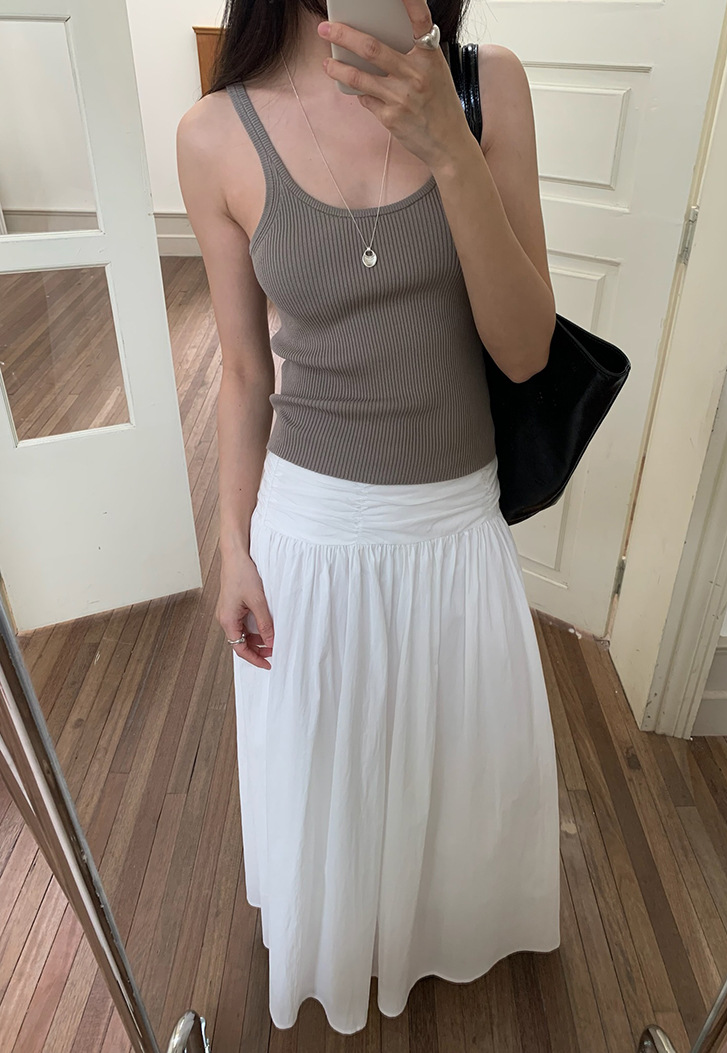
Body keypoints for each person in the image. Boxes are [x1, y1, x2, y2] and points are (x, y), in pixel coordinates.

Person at [176, 0, 560, 1035]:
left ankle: (433, 928)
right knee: (334, 788)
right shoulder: (215, 134)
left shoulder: (486, 86)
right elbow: (245, 372)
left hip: (454, 528)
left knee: (453, 768)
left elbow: (525, 348)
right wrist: (231, 545)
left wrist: (450, 149)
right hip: (309, 536)